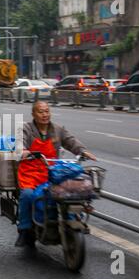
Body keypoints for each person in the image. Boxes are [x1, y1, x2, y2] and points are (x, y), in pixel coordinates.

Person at [15, 101, 97, 247]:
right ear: (33, 114)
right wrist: (23, 151)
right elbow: (20, 142)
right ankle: (25, 230)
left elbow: (70, 141)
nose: (45, 114)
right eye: (41, 111)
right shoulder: (26, 128)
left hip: (51, 172)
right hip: (30, 173)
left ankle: (72, 218)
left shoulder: (58, 129)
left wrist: (82, 151)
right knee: (27, 195)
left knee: (70, 193)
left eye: (47, 111)